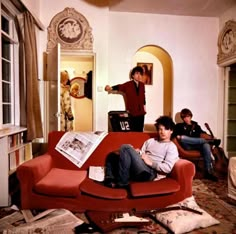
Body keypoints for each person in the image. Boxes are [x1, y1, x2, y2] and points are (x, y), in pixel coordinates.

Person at [104, 115, 179, 188]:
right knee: (112, 155)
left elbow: (168, 168)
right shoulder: (150, 141)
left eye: (165, 129)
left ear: (171, 131)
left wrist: (151, 163)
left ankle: (122, 183)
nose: (162, 132)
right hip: (140, 167)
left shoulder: (171, 147)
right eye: (160, 129)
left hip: (150, 172)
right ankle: (110, 179)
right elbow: (141, 154)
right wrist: (135, 152)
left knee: (125, 147)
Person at [172, 108, 220, 181]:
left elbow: (202, 133)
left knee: (206, 145)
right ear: (182, 118)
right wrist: (178, 136)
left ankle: (208, 172)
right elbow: (173, 134)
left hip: (197, 145)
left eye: (188, 117)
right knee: (183, 137)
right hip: (187, 146)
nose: (186, 119)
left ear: (191, 116)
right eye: (184, 117)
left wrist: (210, 137)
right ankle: (209, 141)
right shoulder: (179, 126)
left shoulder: (196, 125)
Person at [105, 66, 146, 132]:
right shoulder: (128, 85)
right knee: (132, 131)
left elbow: (143, 97)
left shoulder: (142, 85)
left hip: (141, 113)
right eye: (137, 73)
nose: (139, 76)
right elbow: (119, 86)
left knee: (140, 131)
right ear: (133, 75)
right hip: (132, 112)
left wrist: (144, 108)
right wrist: (110, 88)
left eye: (140, 74)